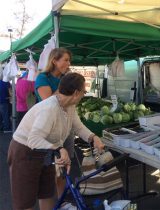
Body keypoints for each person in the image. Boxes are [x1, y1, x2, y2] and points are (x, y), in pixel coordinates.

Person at [8, 72, 105, 210]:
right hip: (25, 152)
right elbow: (33, 139)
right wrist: (59, 149)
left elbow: (78, 126)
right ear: (76, 93)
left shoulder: (70, 106)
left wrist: (93, 137)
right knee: (25, 200)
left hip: (47, 150)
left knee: (47, 193)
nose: (84, 94)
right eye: (84, 91)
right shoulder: (50, 108)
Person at [34, 47, 78, 209]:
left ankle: (62, 200)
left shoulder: (65, 77)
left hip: (66, 128)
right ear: (54, 61)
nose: (69, 63)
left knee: (65, 165)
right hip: (49, 130)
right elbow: (49, 102)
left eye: (69, 60)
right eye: (65, 60)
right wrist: (65, 85)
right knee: (48, 169)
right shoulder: (42, 78)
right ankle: (49, 201)